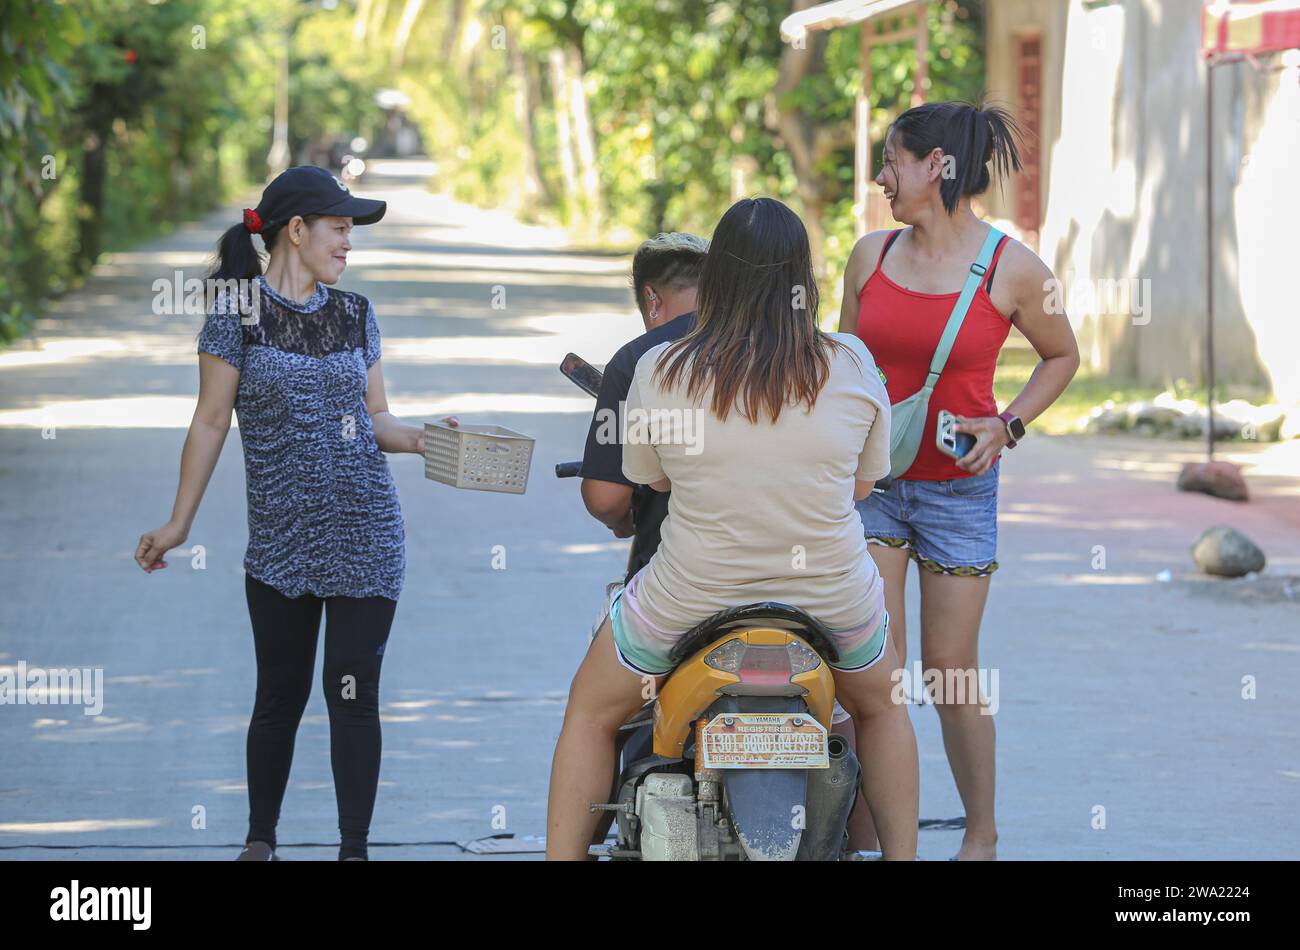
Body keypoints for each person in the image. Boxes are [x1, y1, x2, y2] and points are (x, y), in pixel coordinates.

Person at [547, 197, 919, 861]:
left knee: (590, 711)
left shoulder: (663, 368)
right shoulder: (855, 364)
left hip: (691, 598)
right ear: (803, 279)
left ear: (716, 277)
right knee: (885, 709)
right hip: (831, 601)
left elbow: (649, 481)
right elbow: (865, 485)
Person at [133, 165, 456, 861]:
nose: (349, 244)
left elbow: (377, 419)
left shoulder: (357, 314)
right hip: (280, 542)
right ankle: (260, 841)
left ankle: (353, 850)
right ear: (296, 230)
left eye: (350, 231)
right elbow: (212, 421)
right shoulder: (237, 314)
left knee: (352, 691)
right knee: (279, 694)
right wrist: (178, 523)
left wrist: (427, 437)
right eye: (339, 228)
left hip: (366, 533)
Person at [838, 101, 1080, 860]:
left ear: (937, 166)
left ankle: (980, 834)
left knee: (950, 674)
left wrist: (1008, 425)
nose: (882, 178)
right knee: (875, 665)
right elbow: (842, 369)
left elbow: (1063, 355)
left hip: (958, 492)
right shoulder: (868, 258)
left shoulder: (1014, 268)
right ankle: (873, 832)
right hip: (871, 485)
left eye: (893, 161)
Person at [578, 232, 708, 579]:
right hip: (794, 572)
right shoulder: (772, 349)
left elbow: (606, 499)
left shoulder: (636, 359)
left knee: (609, 634)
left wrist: (623, 521)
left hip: (674, 573)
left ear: (651, 297)